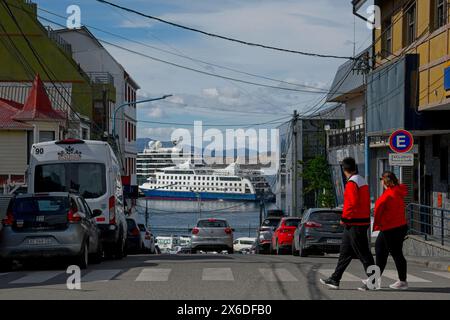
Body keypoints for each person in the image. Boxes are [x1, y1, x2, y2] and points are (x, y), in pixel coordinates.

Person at [320, 157, 375, 290]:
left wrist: (344, 219)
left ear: (344, 170)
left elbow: (351, 204)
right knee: (345, 252)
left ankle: (373, 281)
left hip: (354, 223)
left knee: (364, 253)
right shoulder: (361, 180)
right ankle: (335, 279)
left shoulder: (351, 183)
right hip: (359, 221)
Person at [372, 171, 409, 290]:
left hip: (391, 228)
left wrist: (377, 224)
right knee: (380, 248)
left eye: (382, 180)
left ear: (385, 182)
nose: (381, 182)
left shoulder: (388, 195)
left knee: (395, 253)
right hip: (398, 226)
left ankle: (402, 281)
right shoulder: (398, 191)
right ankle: (374, 279)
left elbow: (377, 211)